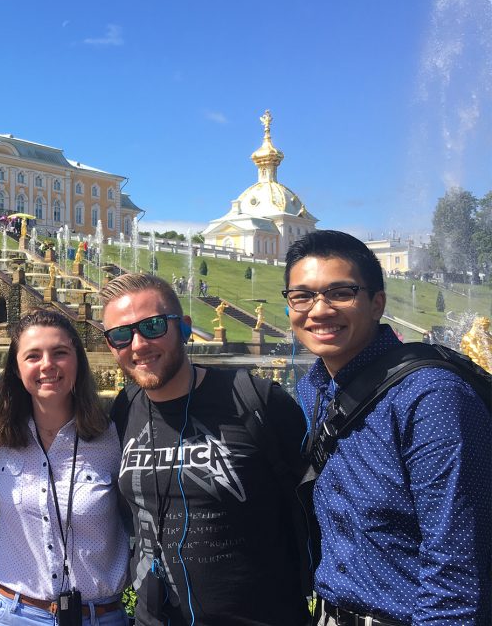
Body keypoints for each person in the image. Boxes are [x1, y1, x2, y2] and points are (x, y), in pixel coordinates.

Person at [284, 230, 491, 625]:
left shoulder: (433, 397)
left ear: (377, 303)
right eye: (302, 296)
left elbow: (457, 565)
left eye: (340, 293)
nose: (319, 309)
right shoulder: (314, 388)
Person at [100, 273, 309, 626]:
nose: (137, 344)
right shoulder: (124, 408)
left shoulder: (257, 400)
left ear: (184, 327)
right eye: (121, 334)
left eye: (152, 326)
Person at [0, 310, 129, 625]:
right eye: (33, 356)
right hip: (13, 613)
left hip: (98, 617)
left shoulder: (114, 438)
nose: (47, 364)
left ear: (77, 360)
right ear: (16, 369)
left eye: (60, 353)